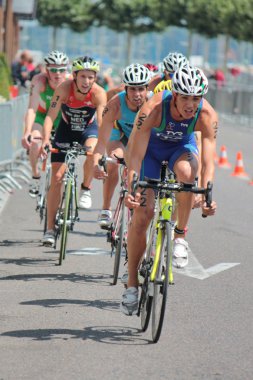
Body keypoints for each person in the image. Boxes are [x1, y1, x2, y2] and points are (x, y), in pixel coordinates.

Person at [120, 64, 218, 315]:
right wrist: (132, 185)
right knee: (143, 216)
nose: (190, 104)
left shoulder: (205, 113)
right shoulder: (153, 107)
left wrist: (207, 192)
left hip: (180, 150)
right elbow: (136, 149)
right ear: (174, 94)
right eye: (185, 97)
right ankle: (131, 284)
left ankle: (181, 236)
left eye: (196, 98)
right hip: (150, 153)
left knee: (187, 174)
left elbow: (208, 156)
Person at [41, 56, 107, 246]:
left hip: (89, 130)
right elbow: (50, 116)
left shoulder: (98, 93)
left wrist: (103, 149)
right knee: (57, 178)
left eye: (91, 77)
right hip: (66, 131)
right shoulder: (63, 88)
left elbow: (102, 125)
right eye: (83, 77)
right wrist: (46, 139)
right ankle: (50, 228)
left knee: (93, 152)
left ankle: (85, 189)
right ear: (75, 76)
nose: (87, 81)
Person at [93, 63, 152, 228]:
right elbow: (101, 142)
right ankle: (105, 208)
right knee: (113, 162)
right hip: (120, 134)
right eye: (132, 89)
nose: (137, 94)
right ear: (125, 88)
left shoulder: (154, 103)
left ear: (147, 88)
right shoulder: (114, 105)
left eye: (141, 89)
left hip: (143, 138)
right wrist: (96, 163)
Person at [21, 50, 70, 197]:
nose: (57, 74)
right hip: (42, 116)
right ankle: (35, 175)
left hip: (61, 117)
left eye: (61, 70)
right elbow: (32, 109)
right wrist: (27, 132)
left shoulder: (71, 82)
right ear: (46, 70)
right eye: (53, 70)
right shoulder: (39, 81)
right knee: (35, 142)